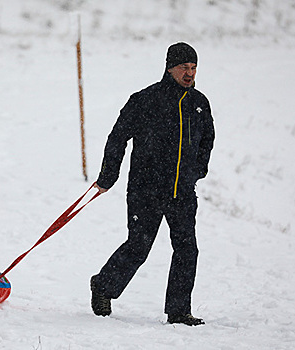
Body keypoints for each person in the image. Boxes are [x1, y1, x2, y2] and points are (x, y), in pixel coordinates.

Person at [90, 42, 215, 326]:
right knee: (138, 246)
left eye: (193, 68)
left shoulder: (199, 104)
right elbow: (117, 137)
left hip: (182, 192)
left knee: (187, 249)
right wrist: (109, 176)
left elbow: (208, 140)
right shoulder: (145, 100)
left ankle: (179, 311)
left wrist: (197, 171)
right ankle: (103, 286)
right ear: (170, 67)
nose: (189, 73)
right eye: (184, 67)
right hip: (146, 189)